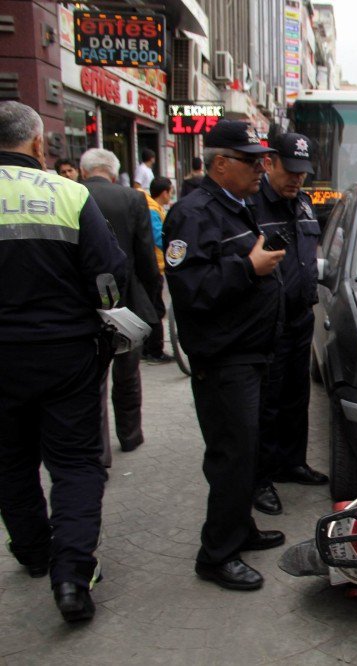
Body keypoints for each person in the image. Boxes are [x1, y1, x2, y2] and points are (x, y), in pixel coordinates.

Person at [0, 101, 126, 622]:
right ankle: (73, 577)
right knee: (75, 463)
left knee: (9, 460)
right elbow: (108, 275)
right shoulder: (70, 194)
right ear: (36, 144)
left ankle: (33, 553)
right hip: (66, 354)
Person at [164, 120, 286, 591]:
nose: (261, 168)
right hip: (223, 356)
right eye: (251, 161)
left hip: (250, 351)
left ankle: (240, 527)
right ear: (220, 163)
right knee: (231, 455)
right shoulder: (192, 214)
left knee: (247, 449)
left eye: (262, 159)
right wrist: (248, 267)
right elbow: (190, 290)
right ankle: (216, 554)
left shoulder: (237, 205)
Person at [250, 133, 328, 517]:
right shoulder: (251, 205)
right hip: (267, 323)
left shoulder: (304, 203)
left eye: (303, 172)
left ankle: (292, 462)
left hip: (300, 318)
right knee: (267, 403)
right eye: (291, 170)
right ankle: (260, 478)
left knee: (297, 397)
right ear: (270, 163)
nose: (298, 179)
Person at [80, 148, 160, 458]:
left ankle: (98, 451)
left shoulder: (72, 194)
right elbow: (145, 255)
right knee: (127, 373)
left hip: (85, 304)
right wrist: (152, 295)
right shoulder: (133, 198)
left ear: (84, 171)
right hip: (126, 302)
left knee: (93, 379)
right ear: (114, 173)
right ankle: (130, 435)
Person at [142, 177, 174, 363]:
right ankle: (154, 350)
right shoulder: (153, 210)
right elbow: (159, 238)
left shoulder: (151, 207)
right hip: (154, 265)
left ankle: (147, 349)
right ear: (165, 193)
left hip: (150, 265)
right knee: (156, 310)